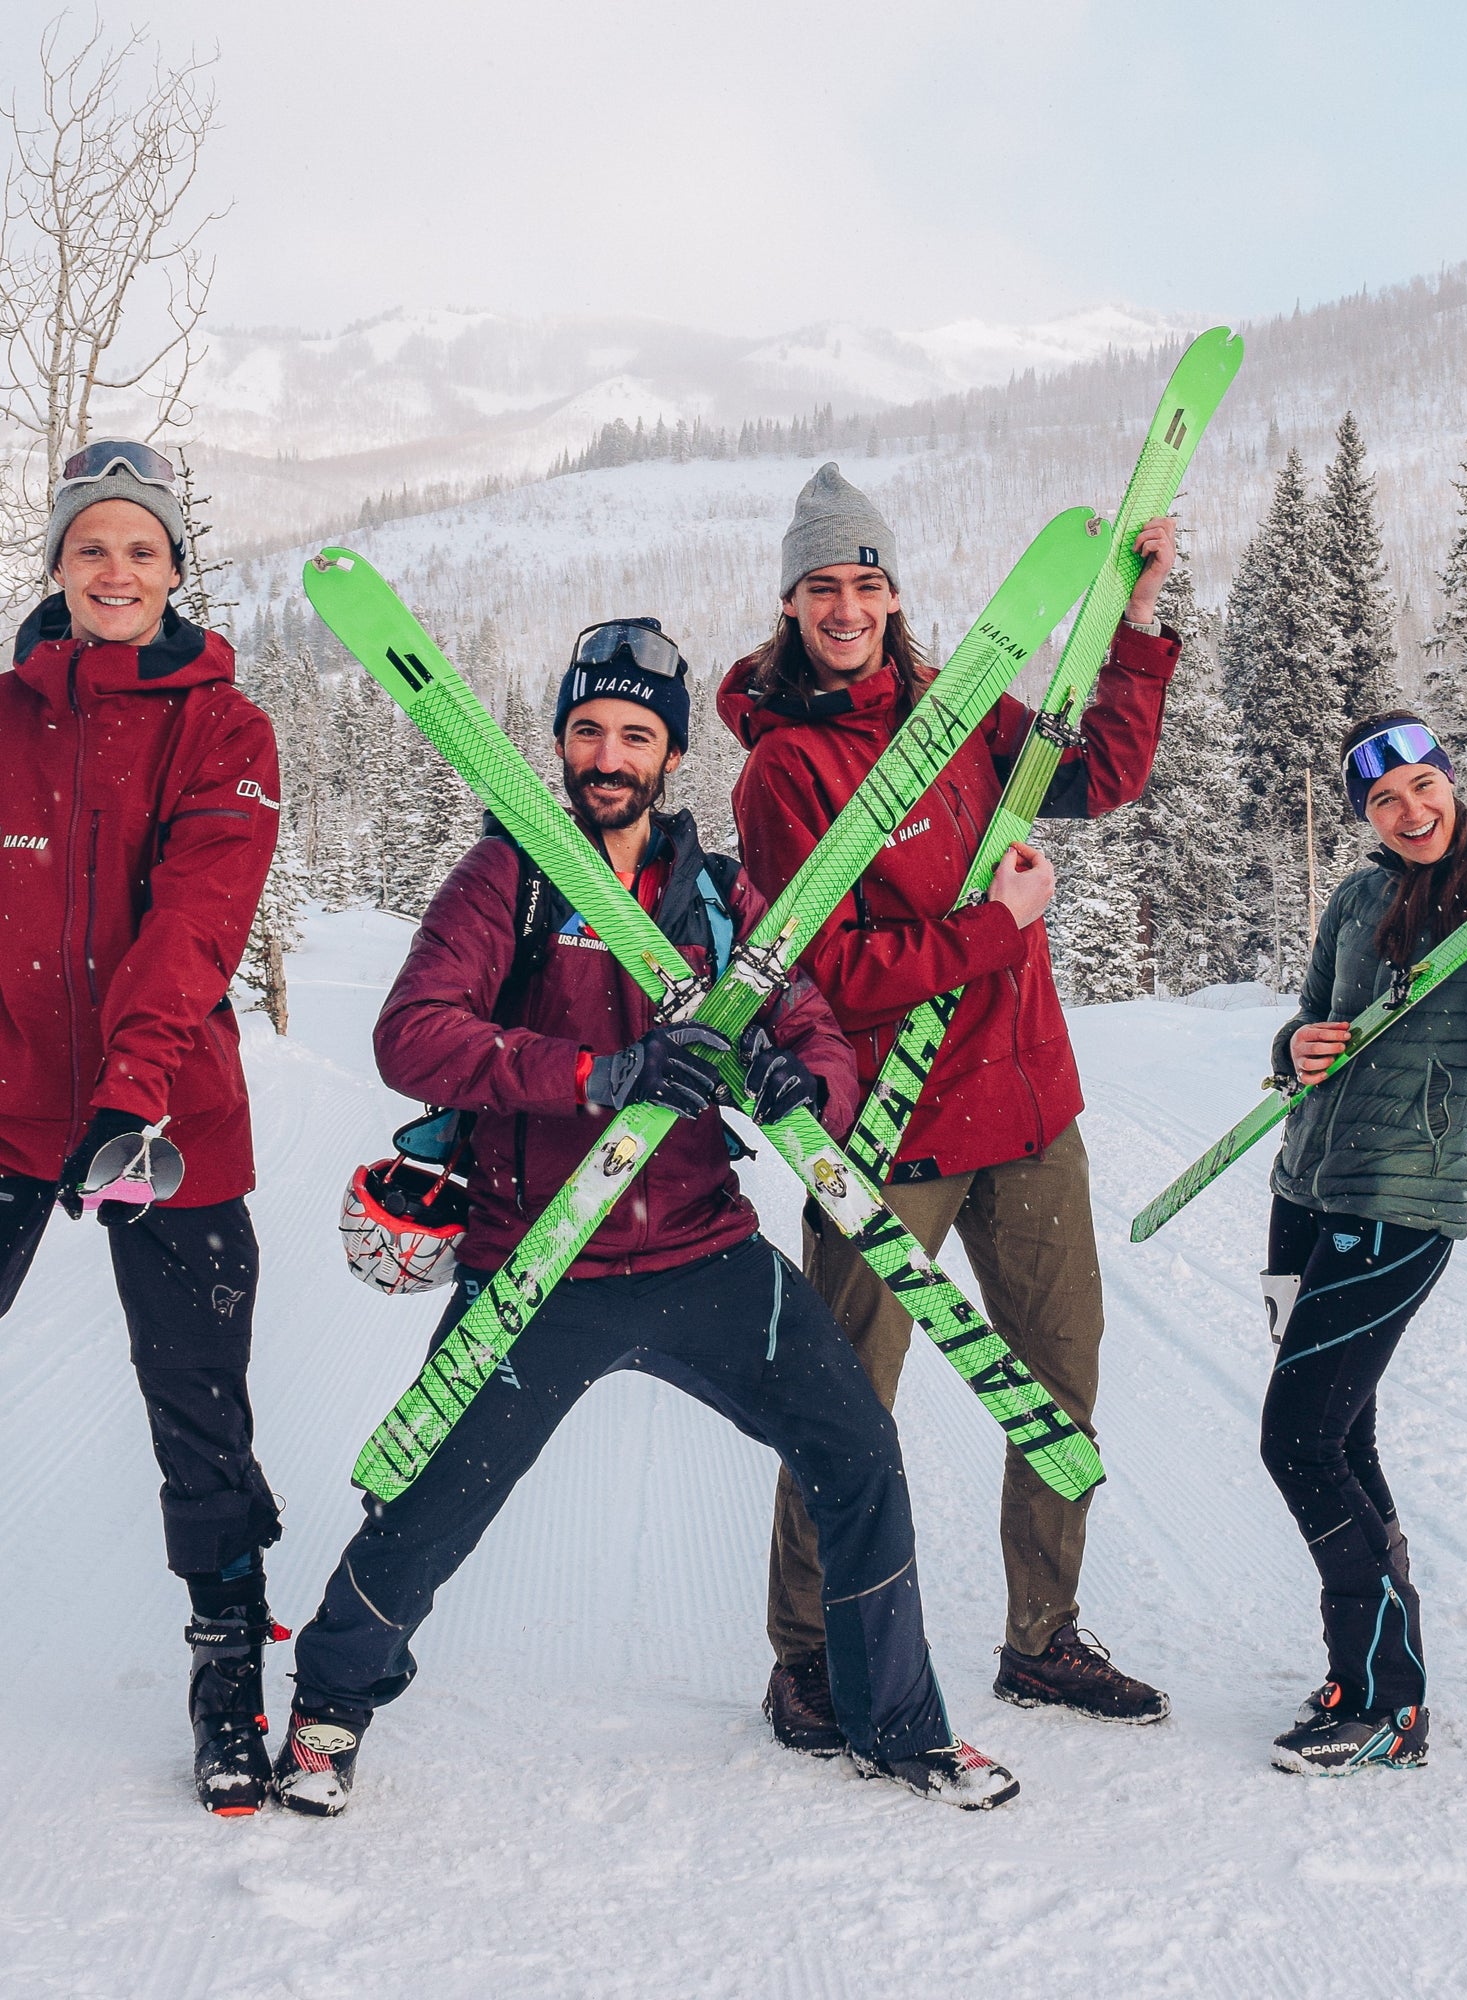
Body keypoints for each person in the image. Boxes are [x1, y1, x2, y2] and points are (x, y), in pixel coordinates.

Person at [272, 619, 1017, 1816]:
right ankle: (327, 1709)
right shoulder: (507, 879)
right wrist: (591, 1075)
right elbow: (411, 1031)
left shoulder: (720, 896)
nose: (606, 754)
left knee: (856, 1448)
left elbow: (811, 1025)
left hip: (700, 1251)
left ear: (671, 756)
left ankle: (899, 1725)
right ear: (559, 742)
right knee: (427, 1497)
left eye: (634, 734)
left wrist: (801, 1087)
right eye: (586, 730)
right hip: (536, 1258)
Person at [716, 464, 1180, 1752]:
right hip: (886, 1128)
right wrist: (995, 925)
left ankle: (1042, 1638)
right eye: (823, 587)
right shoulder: (784, 772)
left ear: (893, 593)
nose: (847, 605)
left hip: (1025, 1108)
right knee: (842, 1394)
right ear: (791, 603)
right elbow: (832, 969)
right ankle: (805, 1657)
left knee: (1058, 1385)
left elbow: (1100, 771)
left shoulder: (960, 709)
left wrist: (1136, 622)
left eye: (866, 583)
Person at [0, 440, 284, 1815]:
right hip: (7, 1103)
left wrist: (134, 1080)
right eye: (91, 546)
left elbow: (197, 919)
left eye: (142, 548)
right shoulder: (4, 719)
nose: (116, 571)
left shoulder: (224, 728)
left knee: (197, 1410)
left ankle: (228, 1660)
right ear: (55, 565)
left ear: (177, 568)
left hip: (164, 1117)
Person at [1260, 711, 1467, 1775]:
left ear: (1451, 781)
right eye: (1382, 800)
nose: (1409, 812)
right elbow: (1307, 1027)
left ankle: (1390, 1701)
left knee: (1296, 1438)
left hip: (1399, 1206)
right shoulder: (1359, 893)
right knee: (1340, 1432)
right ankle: (1358, 1671)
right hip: (1300, 1194)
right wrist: (1291, 1046)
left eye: (1421, 787)